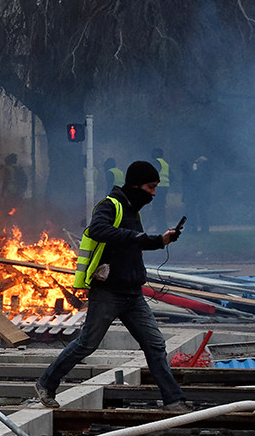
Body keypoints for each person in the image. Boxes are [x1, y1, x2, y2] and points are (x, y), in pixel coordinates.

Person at [34, 160, 189, 411]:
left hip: (133, 294)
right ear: (136, 185)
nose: (154, 193)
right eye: (150, 187)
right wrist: (141, 237)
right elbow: (98, 230)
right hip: (108, 292)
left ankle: (173, 400)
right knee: (87, 344)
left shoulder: (134, 212)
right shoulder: (110, 206)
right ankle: (46, 383)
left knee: (155, 345)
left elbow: (135, 242)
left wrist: (160, 241)